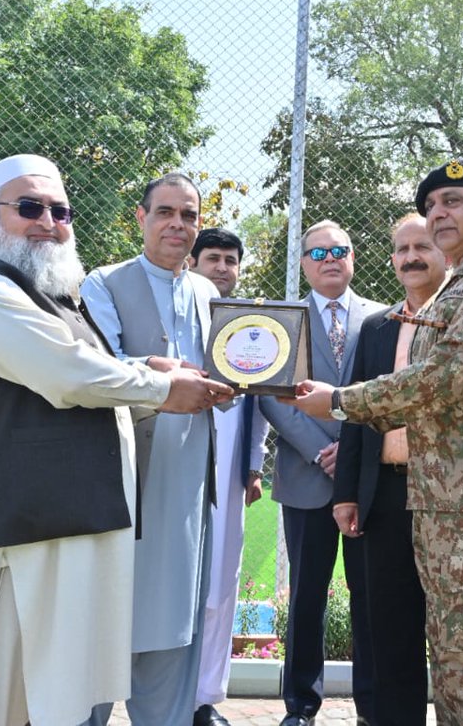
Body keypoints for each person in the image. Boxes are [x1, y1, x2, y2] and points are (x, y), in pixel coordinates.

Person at [0, 154, 231, 726]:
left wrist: (146, 364)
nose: (47, 221)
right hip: (2, 535)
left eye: (59, 210)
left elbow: (89, 362)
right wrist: (163, 386)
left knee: (53, 700)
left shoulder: (56, 296)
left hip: (60, 526)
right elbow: (68, 374)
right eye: (29, 207)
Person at [287, 159, 463, 725]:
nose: (439, 214)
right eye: (432, 205)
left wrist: (339, 401)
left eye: (454, 201)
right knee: (457, 669)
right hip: (446, 503)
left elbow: (444, 377)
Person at [80, 173, 224, 726]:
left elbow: (230, 365)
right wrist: (155, 372)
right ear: (141, 218)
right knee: (104, 614)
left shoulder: (208, 292)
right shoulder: (103, 283)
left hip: (185, 480)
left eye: (188, 216)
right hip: (120, 475)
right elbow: (94, 368)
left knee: (172, 613)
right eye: (166, 212)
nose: (177, 225)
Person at [258, 219, 381, 726]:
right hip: (307, 478)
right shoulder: (283, 321)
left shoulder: (382, 318)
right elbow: (271, 395)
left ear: (352, 258)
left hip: (368, 482)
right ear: (304, 263)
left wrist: (349, 452)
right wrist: (321, 451)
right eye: (319, 252)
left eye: (340, 250)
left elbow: (388, 389)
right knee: (306, 597)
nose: (330, 259)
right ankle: (301, 707)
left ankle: (372, 706)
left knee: (370, 596)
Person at [332, 213, 445, 726]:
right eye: (401, 249)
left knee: (449, 632)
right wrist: (347, 493)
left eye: (422, 245)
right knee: (389, 629)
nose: (411, 257)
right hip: (385, 497)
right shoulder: (377, 327)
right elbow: (356, 416)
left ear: (445, 250)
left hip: (446, 496)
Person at [187, 227, 269, 726]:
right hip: (170, 468)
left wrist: (254, 465)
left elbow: (259, 402)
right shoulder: (176, 314)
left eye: (231, 260)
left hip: (228, 471)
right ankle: (151, 694)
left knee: (220, 583)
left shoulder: (252, 326)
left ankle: (204, 699)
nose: (222, 268)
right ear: (193, 263)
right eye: (213, 258)